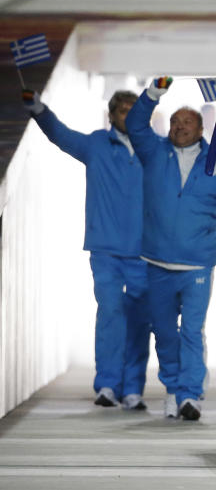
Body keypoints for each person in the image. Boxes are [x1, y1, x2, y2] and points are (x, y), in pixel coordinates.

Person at [127, 77, 216, 422]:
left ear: (201, 129)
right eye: (175, 122)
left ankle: (190, 395)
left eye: (187, 123)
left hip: (197, 264)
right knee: (164, 331)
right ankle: (172, 388)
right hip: (157, 262)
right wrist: (154, 92)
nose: (180, 127)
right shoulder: (153, 153)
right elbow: (134, 124)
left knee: (192, 330)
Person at [22, 89, 151, 410]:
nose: (129, 116)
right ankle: (107, 385)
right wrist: (38, 108)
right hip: (105, 249)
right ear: (111, 116)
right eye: (122, 111)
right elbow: (59, 134)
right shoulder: (95, 145)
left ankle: (133, 388)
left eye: (134, 111)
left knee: (139, 320)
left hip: (144, 252)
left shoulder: (155, 150)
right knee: (110, 314)